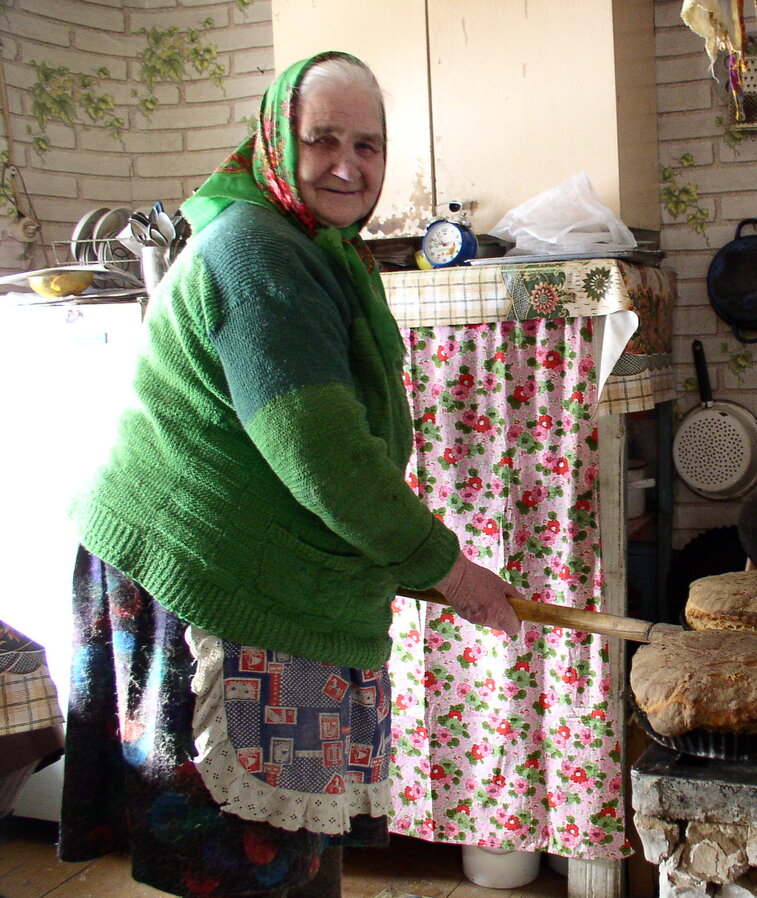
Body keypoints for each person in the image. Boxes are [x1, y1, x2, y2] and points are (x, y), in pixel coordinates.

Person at [58, 51, 522, 898]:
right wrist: (449, 571)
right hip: (200, 571)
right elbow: (323, 457)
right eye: (324, 141)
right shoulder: (256, 254)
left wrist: (409, 559)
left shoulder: (321, 246)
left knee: (293, 855)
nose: (349, 166)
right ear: (279, 140)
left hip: (260, 561)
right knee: (243, 864)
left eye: (369, 145)